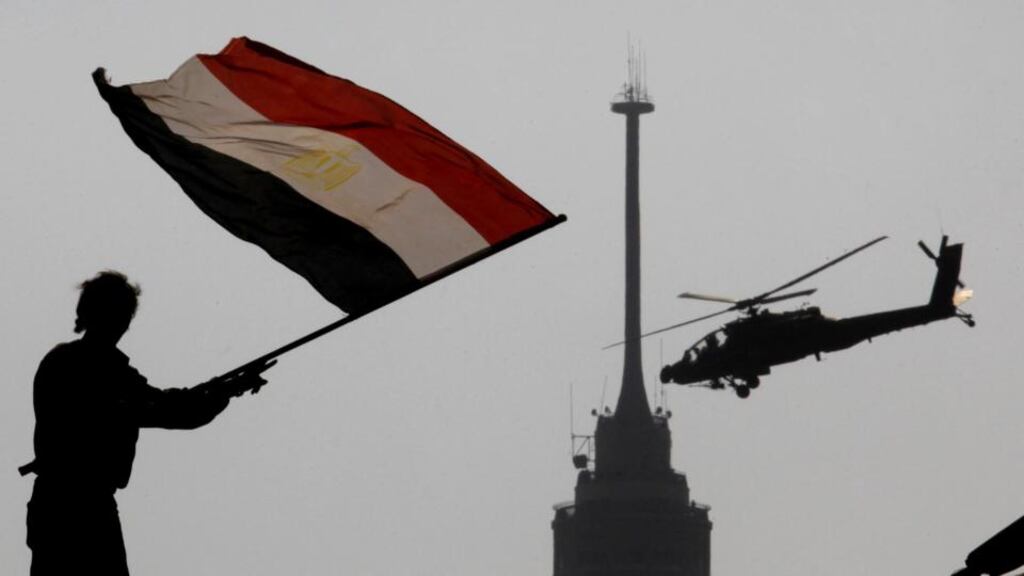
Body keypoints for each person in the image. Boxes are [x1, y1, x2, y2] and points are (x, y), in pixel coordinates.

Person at [22, 270, 275, 576]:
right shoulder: (96, 370)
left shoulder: (71, 363)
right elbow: (166, 409)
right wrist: (225, 390)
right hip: (78, 507)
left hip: (63, 506)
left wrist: (223, 388)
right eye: (119, 312)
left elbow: (164, 406)